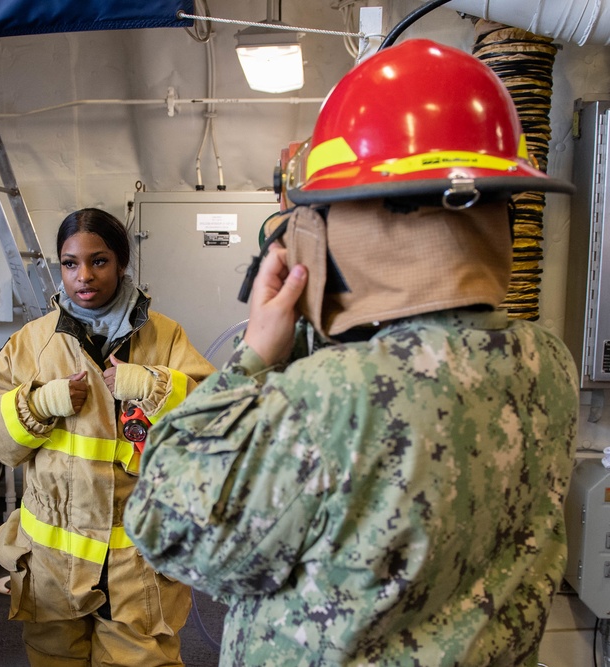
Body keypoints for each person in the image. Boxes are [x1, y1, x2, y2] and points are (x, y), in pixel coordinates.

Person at [124, 39, 580, 666]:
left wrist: (256, 354)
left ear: (351, 226)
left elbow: (162, 523)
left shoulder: (329, 394)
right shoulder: (547, 365)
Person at [0, 208, 215, 666]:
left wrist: (151, 386)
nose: (83, 276)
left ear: (121, 263)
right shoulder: (32, 342)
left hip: (138, 568)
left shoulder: (165, 337)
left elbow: (214, 424)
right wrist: (37, 405)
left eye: (98, 261)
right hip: (52, 566)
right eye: (70, 263)